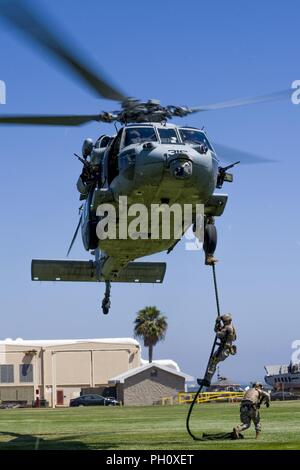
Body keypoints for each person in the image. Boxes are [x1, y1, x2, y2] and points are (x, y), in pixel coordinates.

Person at [199, 313, 237, 386]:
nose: (223, 323)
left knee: (212, 363)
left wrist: (217, 323)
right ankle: (207, 379)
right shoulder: (231, 326)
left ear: (228, 321)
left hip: (223, 350)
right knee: (213, 362)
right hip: (225, 350)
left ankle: (207, 380)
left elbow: (218, 333)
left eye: (224, 321)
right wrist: (218, 323)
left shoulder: (227, 328)